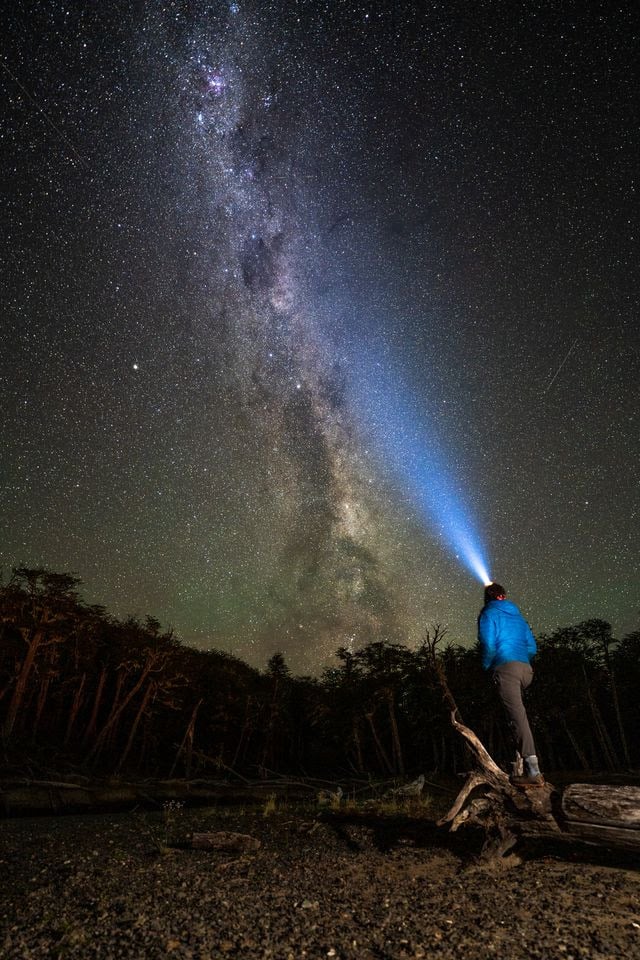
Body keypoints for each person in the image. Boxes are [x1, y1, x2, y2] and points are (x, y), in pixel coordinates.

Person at [478, 582, 544, 785]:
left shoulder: (488, 614)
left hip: (506, 669)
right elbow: (532, 647)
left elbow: (488, 644)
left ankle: (533, 772)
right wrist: (521, 658)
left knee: (517, 717)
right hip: (526, 669)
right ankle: (519, 766)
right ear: (504, 596)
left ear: (487, 598)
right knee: (514, 716)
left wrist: (487, 664)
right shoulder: (518, 616)